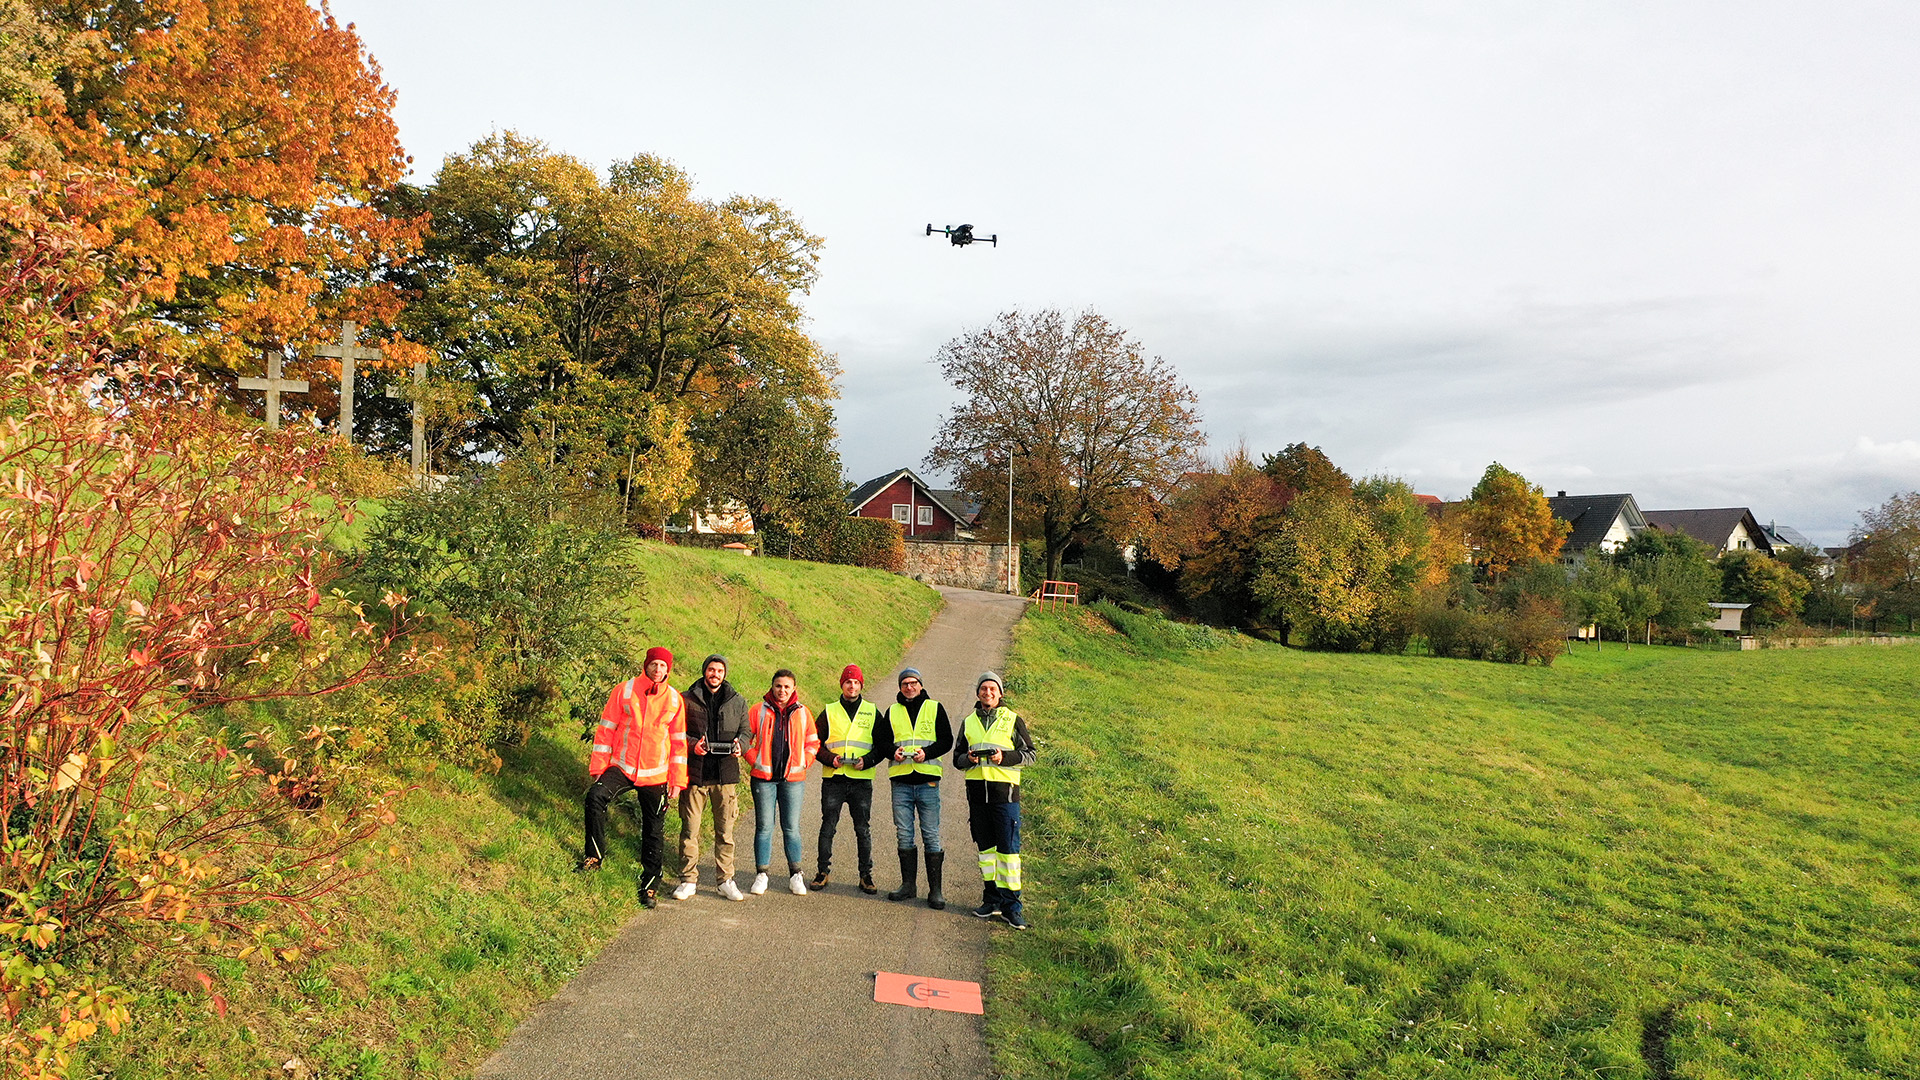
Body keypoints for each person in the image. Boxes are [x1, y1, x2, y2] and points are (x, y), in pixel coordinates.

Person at [583, 646, 687, 909]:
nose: (658, 670)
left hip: (656, 774)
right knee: (595, 798)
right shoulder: (624, 690)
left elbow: (678, 743)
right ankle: (593, 858)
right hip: (622, 767)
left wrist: (677, 780)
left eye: (663, 666)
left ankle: (650, 886)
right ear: (646, 665)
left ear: (668, 670)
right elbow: (606, 729)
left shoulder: (675, 699)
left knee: (654, 830)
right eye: (654, 664)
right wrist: (599, 768)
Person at [951, 671, 1034, 929]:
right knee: (986, 853)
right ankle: (992, 900)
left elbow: (1030, 754)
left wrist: (1003, 758)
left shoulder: (1013, 719)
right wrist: (969, 759)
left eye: (992, 689)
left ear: (1000, 694)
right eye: (983, 689)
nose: (987, 693)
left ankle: (1013, 907)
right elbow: (956, 759)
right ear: (978, 693)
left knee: (1008, 853)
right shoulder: (968, 722)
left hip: (1005, 796)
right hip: (977, 797)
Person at [812, 663, 893, 893]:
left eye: (856, 682)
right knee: (828, 826)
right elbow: (815, 744)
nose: (852, 686)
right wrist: (830, 759)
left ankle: (866, 875)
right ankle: (822, 871)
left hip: (861, 780)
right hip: (834, 778)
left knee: (863, 829)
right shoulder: (829, 711)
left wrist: (867, 761)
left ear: (861, 685)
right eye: (848, 682)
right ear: (842, 685)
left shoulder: (872, 711)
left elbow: (882, 745)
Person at [677, 654, 749, 901]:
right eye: (711, 669)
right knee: (690, 830)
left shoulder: (737, 701)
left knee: (725, 833)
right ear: (704, 672)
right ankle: (688, 880)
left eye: (719, 670)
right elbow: (676, 733)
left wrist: (742, 745)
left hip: (725, 775)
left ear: (725, 674)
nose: (715, 674)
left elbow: (746, 731)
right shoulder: (686, 699)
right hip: (695, 774)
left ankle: (725, 880)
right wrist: (693, 745)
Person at [745, 668, 818, 895]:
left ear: (794, 688)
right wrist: (754, 760)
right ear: (772, 686)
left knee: (792, 828)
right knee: (764, 828)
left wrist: (805, 761)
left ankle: (796, 874)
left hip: (793, 780)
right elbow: (744, 739)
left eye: (787, 686)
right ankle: (761, 874)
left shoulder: (804, 713)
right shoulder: (758, 710)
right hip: (763, 780)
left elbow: (813, 742)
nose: (782, 690)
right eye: (778, 686)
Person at [885, 667, 953, 909]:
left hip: (927, 780)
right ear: (900, 687)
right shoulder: (892, 710)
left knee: (931, 834)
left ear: (921, 685)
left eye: (913, 683)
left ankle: (936, 891)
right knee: (904, 833)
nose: (909, 687)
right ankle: (908, 886)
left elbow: (947, 740)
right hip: (901, 781)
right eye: (905, 683)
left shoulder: (935, 708)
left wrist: (928, 753)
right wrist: (894, 752)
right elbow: (883, 741)